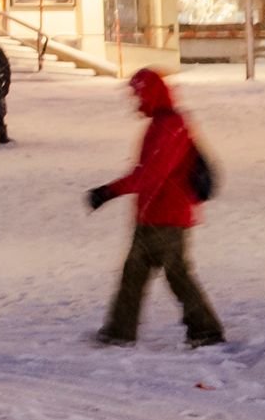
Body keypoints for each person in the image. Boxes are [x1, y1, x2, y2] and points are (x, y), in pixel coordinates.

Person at [89, 67, 225, 347]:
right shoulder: (163, 123)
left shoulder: (169, 126)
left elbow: (150, 175)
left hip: (167, 217)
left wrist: (108, 191)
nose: (135, 101)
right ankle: (120, 331)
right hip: (154, 215)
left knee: (176, 276)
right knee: (137, 274)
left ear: (150, 94)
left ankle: (206, 330)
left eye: (138, 94)